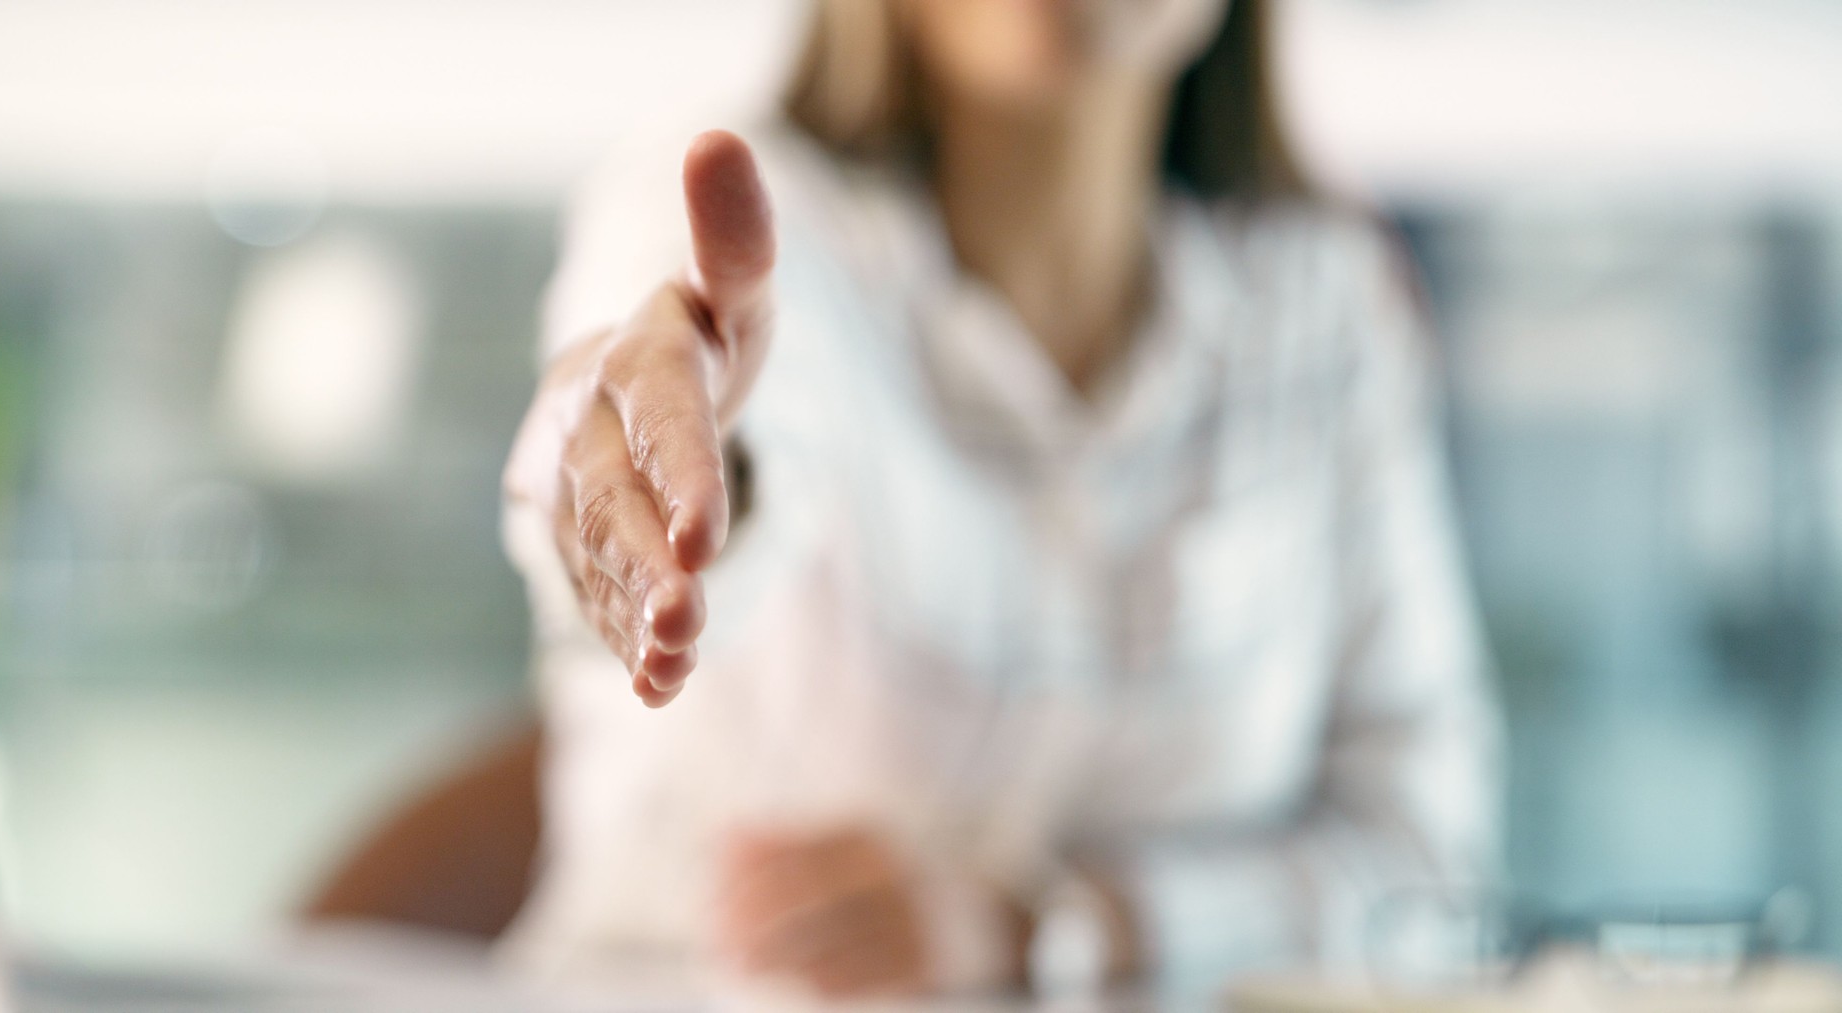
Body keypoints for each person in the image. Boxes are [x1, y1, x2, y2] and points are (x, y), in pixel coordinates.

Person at [499, 0, 1500, 1001]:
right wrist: (669, 476)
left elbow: (1428, 859)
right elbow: (662, 433)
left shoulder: (1328, 301)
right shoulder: (715, 210)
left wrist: (1053, 927)